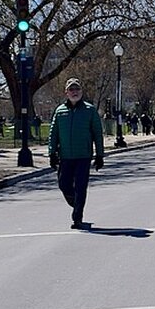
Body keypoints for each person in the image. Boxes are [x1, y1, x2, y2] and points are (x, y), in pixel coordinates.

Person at [48, 77, 104, 229]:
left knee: (80, 187)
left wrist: (99, 156)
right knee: (63, 185)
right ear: (66, 92)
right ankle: (75, 202)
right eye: (71, 90)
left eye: (77, 89)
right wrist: (52, 153)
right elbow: (53, 133)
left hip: (83, 156)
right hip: (65, 156)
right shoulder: (60, 111)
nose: (74, 92)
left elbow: (97, 134)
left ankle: (77, 217)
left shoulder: (89, 110)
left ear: (81, 91)